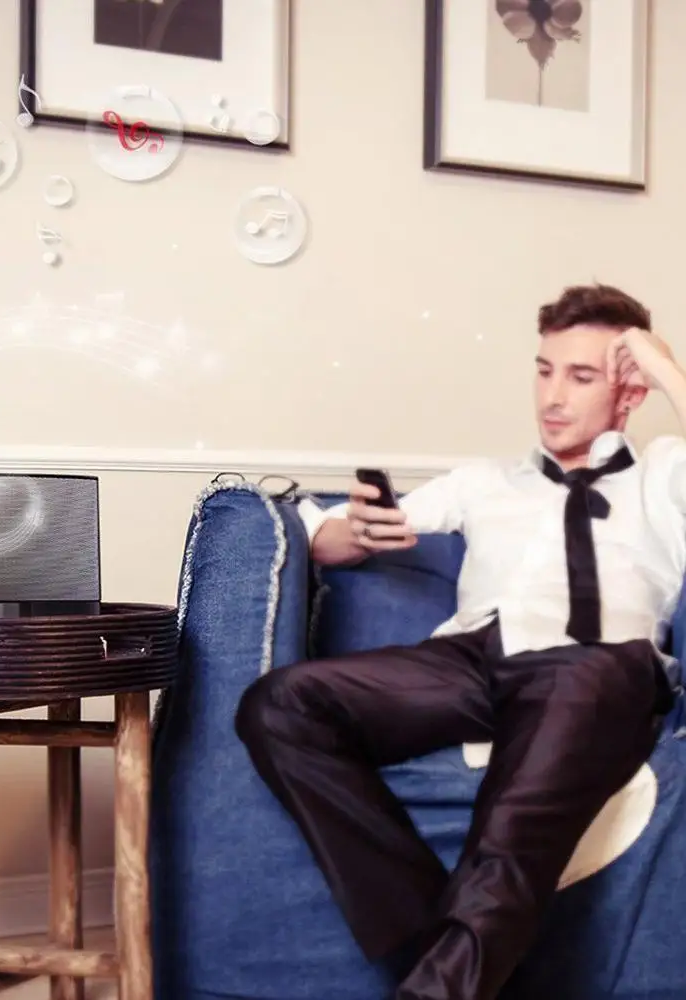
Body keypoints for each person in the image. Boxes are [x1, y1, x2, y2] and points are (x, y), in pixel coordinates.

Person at [234, 284, 686, 1000]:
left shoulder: (664, 475)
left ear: (628, 392)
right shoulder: (486, 481)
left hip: (599, 667)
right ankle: (436, 961)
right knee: (281, 704)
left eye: (581, 376)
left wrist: (664, 367)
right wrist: (356, 531)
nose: (552, 397)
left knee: (515, 819)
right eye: (544, 370)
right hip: (472, 660)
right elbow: (334, 536)